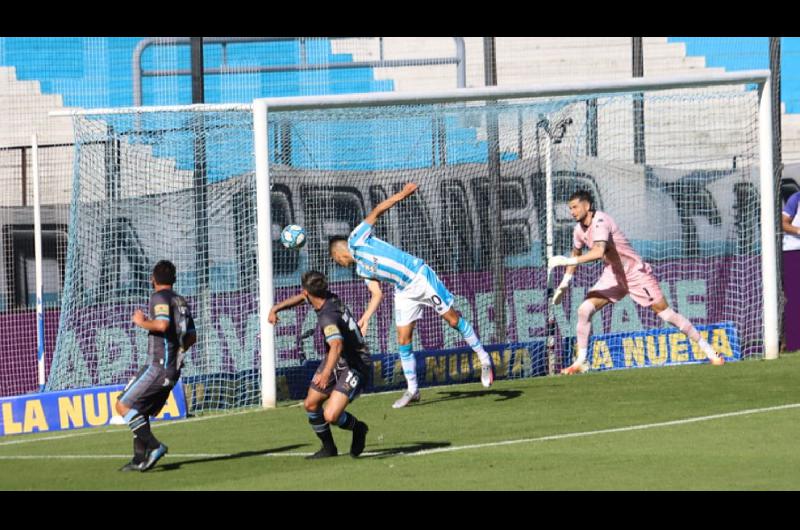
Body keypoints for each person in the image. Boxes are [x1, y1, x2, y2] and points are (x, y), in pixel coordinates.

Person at [329, 183, 494, 409]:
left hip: (419, 277)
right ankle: (413, 390)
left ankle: (484, 359)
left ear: (338, 253)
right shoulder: (361, 270)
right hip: (404, 292)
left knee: (453, 320)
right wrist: (366, 317)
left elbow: (377, 210)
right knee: (403, 340)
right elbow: (376, 294)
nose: (339, 263)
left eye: (336, 259)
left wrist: (402, 194)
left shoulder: (356, 239)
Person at [548, 190, 725, 374]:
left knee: (666, 315)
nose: (572, 212)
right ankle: (580, 362)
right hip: (613, 275)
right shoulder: (578, 230)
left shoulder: (601, 221)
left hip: (635, 274)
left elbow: (598, 252)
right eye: (570, 208)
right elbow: (575, 252)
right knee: (584, 309)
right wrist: (565, 282)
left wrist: (568, 261)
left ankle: (708, 350)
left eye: (575, 207)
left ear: (587, 206)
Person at [269, 271, 370, 459]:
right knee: (311, 404)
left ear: (306, 291)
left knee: (331, 416)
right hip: (339, 358)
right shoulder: (326, 298)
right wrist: (276, 308)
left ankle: (359, 428)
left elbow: (337, 345)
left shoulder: (327, 317)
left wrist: (325, 373)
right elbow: (301, 298)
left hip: (355, 364)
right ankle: (329, 448)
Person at [116, 260, 196, 471]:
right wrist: (178, 353)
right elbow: (191, 337)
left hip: (158, 366)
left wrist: (141, 321)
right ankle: (139, 458)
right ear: (174, 279)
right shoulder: (181, 301)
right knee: (139, 409)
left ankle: (155, 446)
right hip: (172, 368)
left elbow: (162, 324)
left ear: (153, 279)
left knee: (122, 405)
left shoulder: (158, 297)